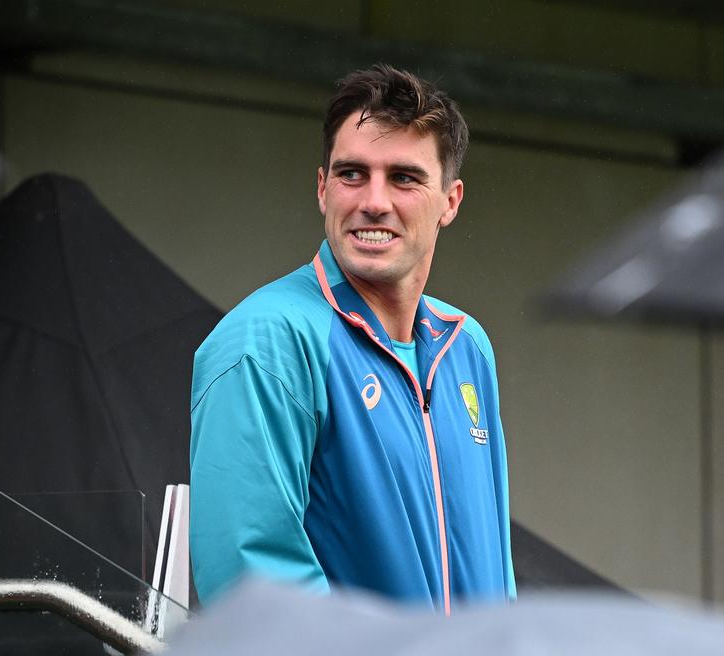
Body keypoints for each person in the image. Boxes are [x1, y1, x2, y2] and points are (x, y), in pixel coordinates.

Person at [189, 65, 514, 614]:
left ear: (451, 201)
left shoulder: (467, 348)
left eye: (405, 178)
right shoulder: (267, 341)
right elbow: (254, 591)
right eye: (352, 174)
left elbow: (495, 569)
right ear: (322, 188)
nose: (374, 201)